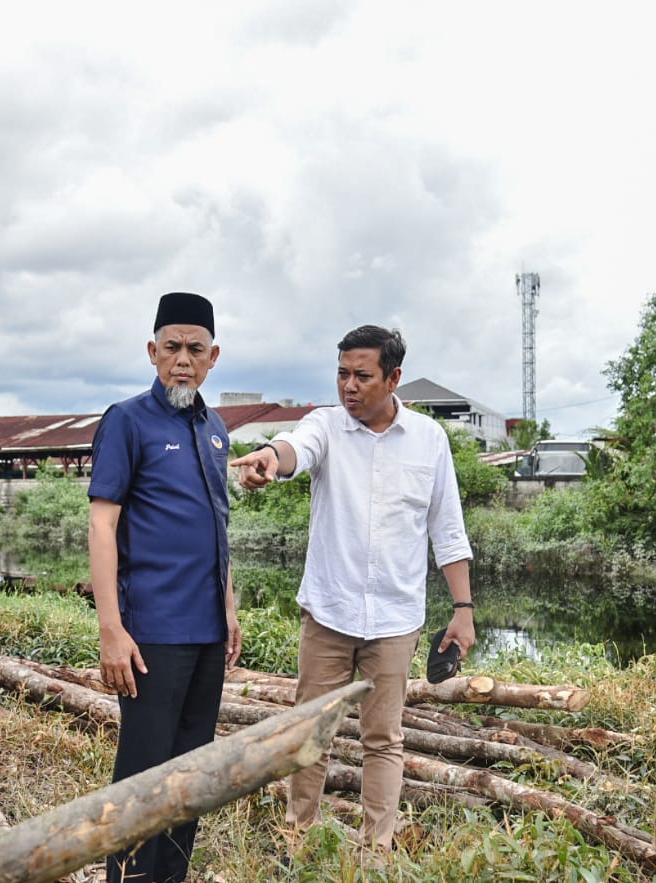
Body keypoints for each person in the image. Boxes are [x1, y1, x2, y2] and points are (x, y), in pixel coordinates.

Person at [230, 324, 475, 855]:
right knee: (311, 731)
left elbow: (448, 531)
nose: (349, 386)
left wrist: (463, 609)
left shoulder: (430, 440)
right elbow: (295, 448)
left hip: (394, 621)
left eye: (362, 376)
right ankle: (298, 838)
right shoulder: (326, 426)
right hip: (328, 613)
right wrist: (271, 458)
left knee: (383, 740)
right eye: (342, 374)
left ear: (393, 378)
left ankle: (376, 849)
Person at [88, 291, 242, 883]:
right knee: (144, 774)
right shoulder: (128, 420)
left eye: (195, 349)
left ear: (213, 356)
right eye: (172, 347)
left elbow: (218, 524)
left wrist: (228, 607)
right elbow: (103, 523)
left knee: (192, 773)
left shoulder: (216, 428)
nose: (183, 359)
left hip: (206, 632)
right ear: (152, 352)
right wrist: (111, 629)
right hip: (152, 632)